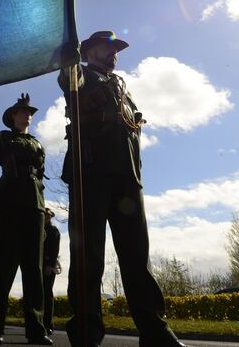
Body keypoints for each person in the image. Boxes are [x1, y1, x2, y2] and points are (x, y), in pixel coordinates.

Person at [59, 31, 186, 347]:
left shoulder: (122, 87)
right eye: (107, 47)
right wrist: (68, 59)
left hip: (127, 176)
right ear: (89, 51)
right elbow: (67, 80)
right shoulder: (81, 75)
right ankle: (86, 332)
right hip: (92, 172)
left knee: (136, 257)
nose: (113, 53)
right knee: (89, 255)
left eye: (115, 49)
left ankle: (155, 330)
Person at [0, 94, 52, 345]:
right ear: (12, 116)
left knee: (33, 268)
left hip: (34, 205)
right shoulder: (3, 137)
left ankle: (36, 329)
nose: (28, 115)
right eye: (23, 111)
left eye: (30, 111)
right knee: (3, 265)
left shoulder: (36, 142)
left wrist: (38, 197)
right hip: (8, 204)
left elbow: (40, 174)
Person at [42, 208, 61, 335]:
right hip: (39, 264)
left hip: (49, 265)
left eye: (48, 216)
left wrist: (50, 265)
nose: (46, 218)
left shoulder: (53, 231)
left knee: (47, 294)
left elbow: (55, 250)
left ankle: (48, 324)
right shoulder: (39, 229)